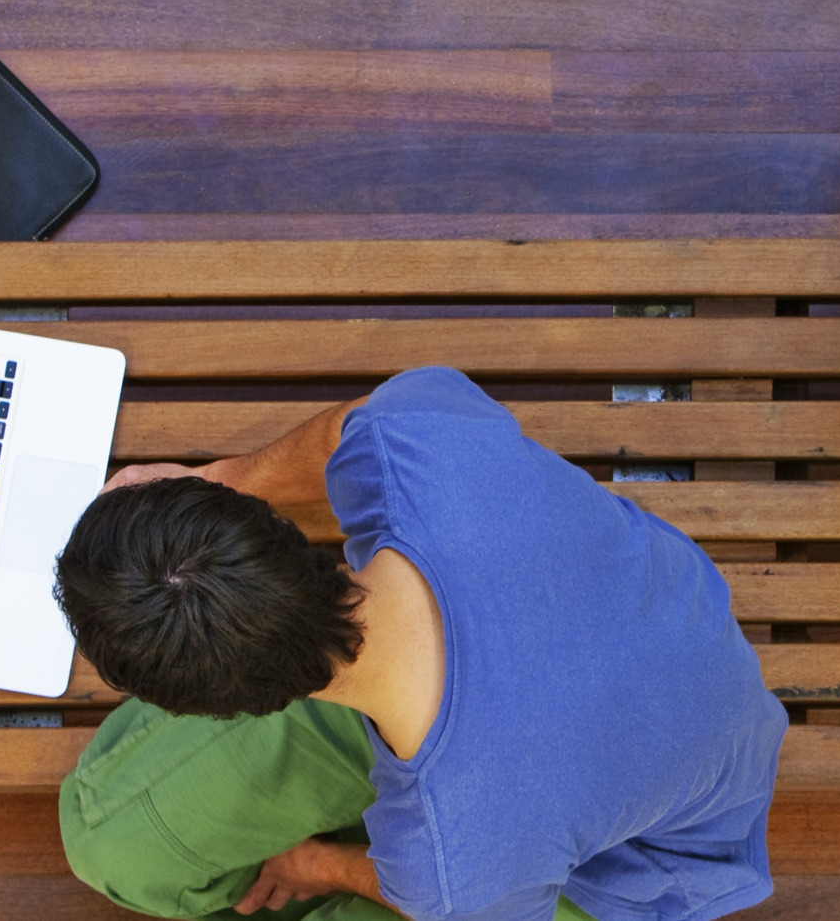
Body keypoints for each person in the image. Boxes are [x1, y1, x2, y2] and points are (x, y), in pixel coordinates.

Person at [49, 366, 786, 921]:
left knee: (128, 847)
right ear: (266, 525)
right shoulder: (410, 440)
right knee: (110, 839)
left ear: (229, 708)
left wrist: (321, 865)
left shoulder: (453, 867)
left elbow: (449, 891)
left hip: (629, 861)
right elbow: (354, 429)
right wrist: (215, 481)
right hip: (642, 667)